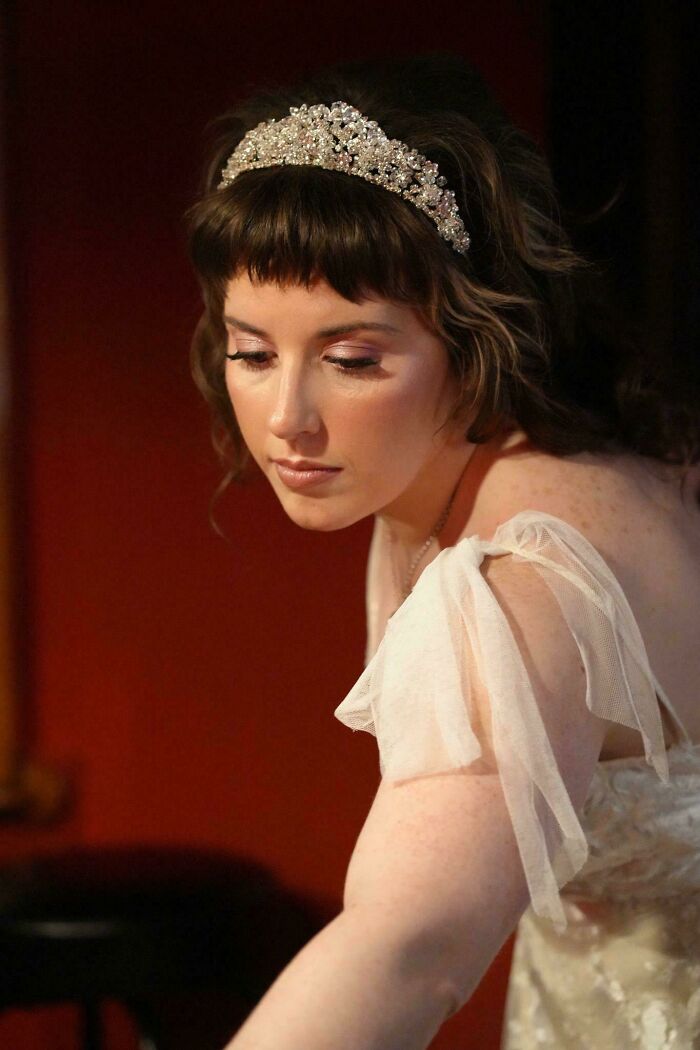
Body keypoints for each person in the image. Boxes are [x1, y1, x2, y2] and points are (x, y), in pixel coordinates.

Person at [184, 51, 700, 1050]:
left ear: (472, 343)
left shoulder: (515, 583)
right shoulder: (535, 458)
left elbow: (408, 949)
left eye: (352, 359)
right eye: (251, 351)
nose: (288, 417)